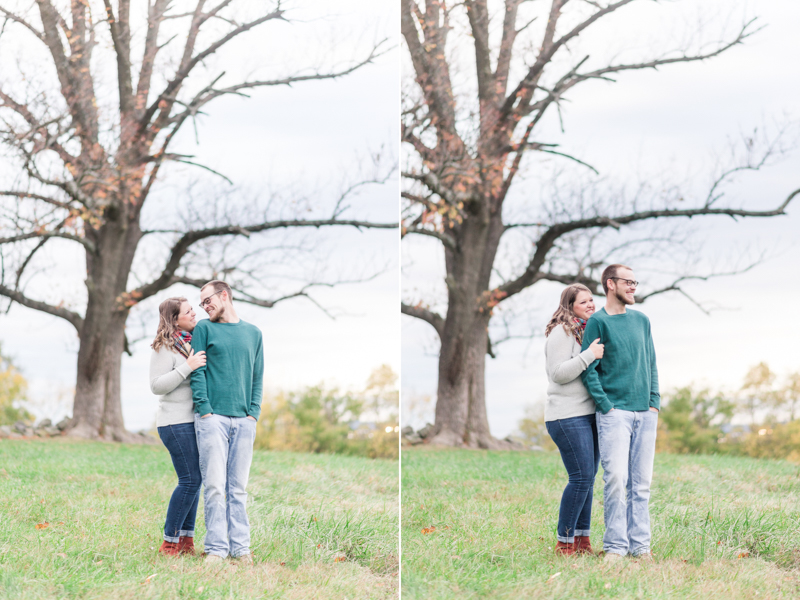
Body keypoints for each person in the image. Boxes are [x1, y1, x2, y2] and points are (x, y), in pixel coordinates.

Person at [580, 264, 660, 562]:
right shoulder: (597, 322)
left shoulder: (642, 321)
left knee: (641, 485)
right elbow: (590, 369)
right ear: (610, 284)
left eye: (635, 282)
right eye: (628, 282)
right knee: (615, 478)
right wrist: (606, 405)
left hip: (646, 413)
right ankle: (615, 547)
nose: (633, 287)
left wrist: (654, 402)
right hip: (615, 414)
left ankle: (641, 547)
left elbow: (651, 363)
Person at [190, 280, 264, 565]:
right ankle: (216, 549)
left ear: (224, 295)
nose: (205, 307)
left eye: (208, 301)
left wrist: (253, 413)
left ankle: (241, 548)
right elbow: (198, 371)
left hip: (244, 421)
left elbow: (258, 376)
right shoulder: (204, 329)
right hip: (213, 420)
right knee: (215, 487)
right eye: (201, 304)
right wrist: (205, 409)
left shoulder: (254, 333)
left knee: (238, 489)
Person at [544, 284, 605, 556]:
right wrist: (589, 355)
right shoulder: (562, 332)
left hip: (588, 414)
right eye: (584, 301)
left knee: (588, 479)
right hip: (566, 416)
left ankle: (582, 542)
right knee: (580, 478)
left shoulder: (585, 332)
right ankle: (564, 543)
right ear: (570, 305)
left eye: (592, 299)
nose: (591, 304)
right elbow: (557, 373)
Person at [150, 297, 207, 556]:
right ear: (175, 319)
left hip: (191, 421)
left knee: (194, 480)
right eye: (188, 311)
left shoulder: (191, 343)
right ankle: (169, 543)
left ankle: (186, 542)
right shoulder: (166, 347)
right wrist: (187, 367)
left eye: (192, 309)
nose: (194, 313)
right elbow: (156, 386)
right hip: (174, 422)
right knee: (190, 480)